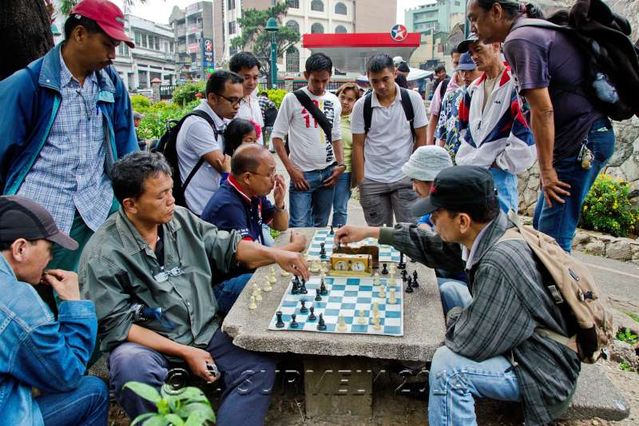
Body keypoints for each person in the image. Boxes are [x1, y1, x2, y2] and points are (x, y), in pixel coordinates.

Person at [335, 166, 581, 426]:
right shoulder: (490, 231)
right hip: (522, 340)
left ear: (462, 221)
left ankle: (446, 397)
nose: (431, 220)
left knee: (448, 367)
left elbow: (471, 343)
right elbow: (434, 247)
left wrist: (452, 318)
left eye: (435, 213)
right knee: (451, 290)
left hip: (541, 370)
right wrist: (372, 233)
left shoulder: (500, 262)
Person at [79, 151, 309, 423]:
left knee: (258, 369)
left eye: (170, 190)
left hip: (203, 329)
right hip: (150, 344)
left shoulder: (179, 218)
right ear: (130, 205)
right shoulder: (103, 255)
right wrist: (187, 353)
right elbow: (118, 326)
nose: (171, 200)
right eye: (161, 195)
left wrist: (277, 255)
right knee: (129, 368)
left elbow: (229, 246)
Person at [0, 0, 138, 281]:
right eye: (108, 44)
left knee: (97, 284)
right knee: (45, 289)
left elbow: (126, 145)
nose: (113, 55)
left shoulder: (110, 84)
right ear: (79, 34)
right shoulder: (27, 84)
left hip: (97, 202)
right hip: (44, 207)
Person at [466, 0, 615, 251]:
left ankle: (563, 291)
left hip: (581, 142)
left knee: (552, 242)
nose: (473, 26)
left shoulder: (520, 40)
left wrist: (546, 172)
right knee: (541, 231)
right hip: (581, 139)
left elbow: (542, 109)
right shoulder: (527, 33)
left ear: (496, 11)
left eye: (474, 18)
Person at [0, 195, 108, 425]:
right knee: (93, 391)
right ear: (20, 248)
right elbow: (66, 375)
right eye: (49, 249)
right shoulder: (20, 303)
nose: (50, 260)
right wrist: (74, 304)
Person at [201, 145, 307, 310]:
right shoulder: (227, 205)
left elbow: (280, 225)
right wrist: (293, 248)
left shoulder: (252, 193)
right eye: (269, 174)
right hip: (223, 284)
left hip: (245, 270)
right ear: (248, 178)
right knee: (283, 287)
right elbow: (249, 260)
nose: (275, 178)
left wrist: (279, 204)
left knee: (290, 274)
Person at [456, 34, 536, 213]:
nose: (474, 56)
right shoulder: (472, 89)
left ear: (496, 46)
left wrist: (501, 163)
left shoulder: (515, 83)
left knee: (503, 230)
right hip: (473, 172)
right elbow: (463, 127)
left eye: (478, 50)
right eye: (471, 52)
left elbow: (525, 130)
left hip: (499, 176)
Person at [351, 53, 428, 226]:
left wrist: (417, 175)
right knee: (378, 238)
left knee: (411, 234)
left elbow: (422, 138)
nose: (381, 85)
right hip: (373, 180)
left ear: (394, 73)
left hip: (405, 178)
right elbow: (358, 145)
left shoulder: (412, 99)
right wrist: (362, 181)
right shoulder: (362, 106)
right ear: (368, 79)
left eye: (385, 79)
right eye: (375, 81)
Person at [271, 53, 344, 227]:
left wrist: (340, 165)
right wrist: (291, 170)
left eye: (324, 81)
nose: (320, 86)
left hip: (328, 173)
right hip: (302, 175)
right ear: (306, 76)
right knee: (298, 226)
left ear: (330, 77)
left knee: (321, 225)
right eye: (315, 80)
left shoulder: (334, 101)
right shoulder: (292, 99)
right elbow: (276, 137)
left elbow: (336, 136)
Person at [176, 70, 244, 215]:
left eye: (240, 100)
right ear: (213, 98)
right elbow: (226, 166)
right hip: (200, 209)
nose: (237, 106)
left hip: (212, 203)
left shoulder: (219, 120)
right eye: (232, 100)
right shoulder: (197, 124)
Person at [435, 52, 482, 160]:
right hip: (451, 159)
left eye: (471, 70)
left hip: (476, 160)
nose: (466, 75)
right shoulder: (450, 97)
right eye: (462, 71)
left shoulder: (487, 96)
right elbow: (442, 133)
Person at [331, 82, 361, 227]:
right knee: (318, 210)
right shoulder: (328, 116)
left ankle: (338, 239)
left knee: (340, 210)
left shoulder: (356, 122)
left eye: (350, 99)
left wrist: (356, 177)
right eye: (342, 97)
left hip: (345, 172)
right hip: (324, 170)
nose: (345, 102)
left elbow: (359, 149)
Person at [229, 52, 265, 145]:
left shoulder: (254, 99)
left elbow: (260, 133)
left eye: (255, 77)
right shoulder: (228, 105)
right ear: (233, 76)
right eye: (246, 77)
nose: (252, 82)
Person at [426, 51, 461, 144]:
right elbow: (434, 117)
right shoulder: (444, 85)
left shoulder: (475, 87)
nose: (460, 67)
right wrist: (429, 145)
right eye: (456, 63)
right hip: (443, 147)